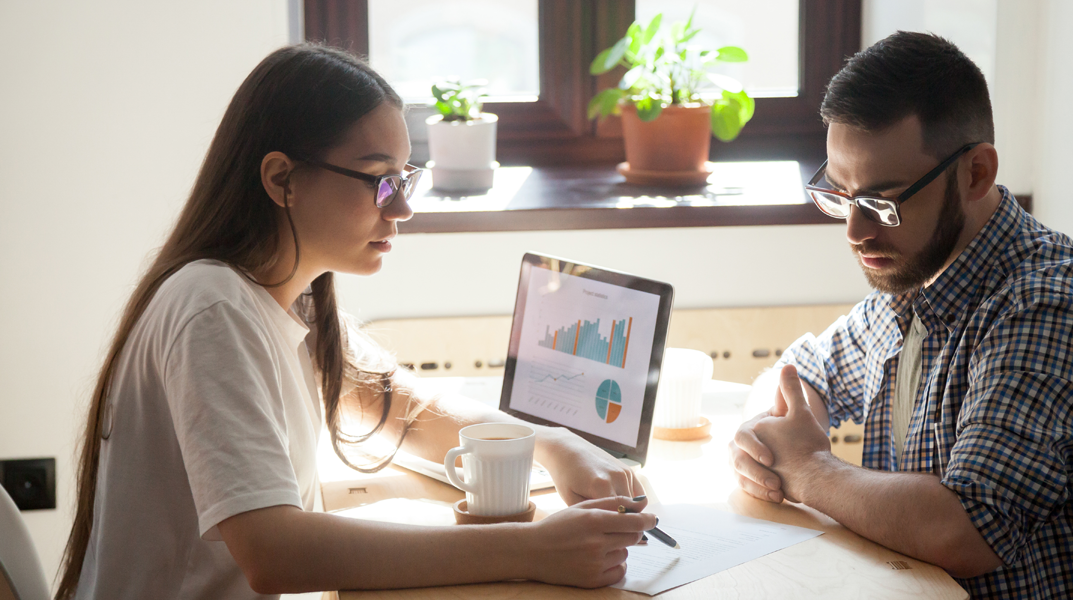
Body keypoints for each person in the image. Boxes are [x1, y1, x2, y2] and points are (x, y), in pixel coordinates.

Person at [56, 44, 655, 600]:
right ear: (280, 179)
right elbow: (274, 552)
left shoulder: (293, 296)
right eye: (377, 180)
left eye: (404, 177)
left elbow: (404, 408)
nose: (403, 207)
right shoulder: (213, 308)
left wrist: (556, 445)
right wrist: (531, 551)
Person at [729, 32, 1073, 597]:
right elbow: (804, 371)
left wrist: (807, 470)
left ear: (976, 173)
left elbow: (969, 531)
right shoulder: (918, 273)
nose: (855, 231)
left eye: (883, 202)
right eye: (840, 194)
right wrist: (760, 438)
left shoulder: (1054, 310)